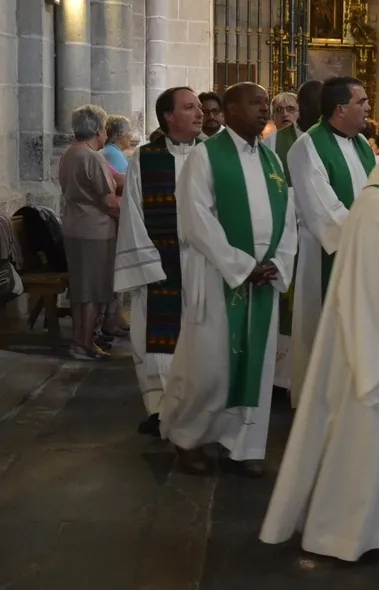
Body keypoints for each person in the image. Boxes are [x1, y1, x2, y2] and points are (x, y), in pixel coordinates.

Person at [260, 113, 379, 562]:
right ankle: (343, 535)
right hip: (375, 354)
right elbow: (375, 288)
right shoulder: (375, 207)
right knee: (366, 442)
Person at [159, 82, 297, 477]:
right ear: (231, 109)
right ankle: (188, 437)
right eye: (255, 103)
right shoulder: (205, 156)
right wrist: (241, 265)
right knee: (210, 368)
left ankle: (244, 444)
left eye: (265, 103)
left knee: (257, 367)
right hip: (219, 278)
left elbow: (288, 217)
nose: (263, 110)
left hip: (263, 282)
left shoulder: (272, 160)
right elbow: (196, 219)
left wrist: (278, 262)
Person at [115, 86, 204, 437]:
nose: (200, 113)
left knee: (199, 338)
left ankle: (196, 407)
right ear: (168, 116)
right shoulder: (145, 158)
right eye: (190, 107)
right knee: (153, 338)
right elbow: (132, 215)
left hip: (203, 264)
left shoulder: (211, 155)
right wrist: (149, 265)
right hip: (160, 263)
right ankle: (159, 408)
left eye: (199, 106)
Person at [285, 76, 374, 407]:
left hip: (367, 256)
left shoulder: (361, 144)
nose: (368, 108)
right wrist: (372, 238)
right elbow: (325, 213)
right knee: (324, 335)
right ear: (340, 109)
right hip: (328, 256)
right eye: (361, 102)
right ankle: (319, 412)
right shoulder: (307, 147)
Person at [263, 80, 321, 391]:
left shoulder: (320, 140)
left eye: (291, 108)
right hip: (287, 235)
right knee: (287, 307)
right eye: (279, 109)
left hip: (315, 234)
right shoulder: (271, 144)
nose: (285, 114)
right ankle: (283, 376)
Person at [59, 105, 121, 361]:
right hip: (95, 230)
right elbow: (108, 201)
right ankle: (85, 343)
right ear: (98, 129)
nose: (105, 132)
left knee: (81, 288)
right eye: (105, 128)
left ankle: (79, 340)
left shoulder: (69, 153)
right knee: (94, 289)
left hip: (74, 227)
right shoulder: (92, 158)